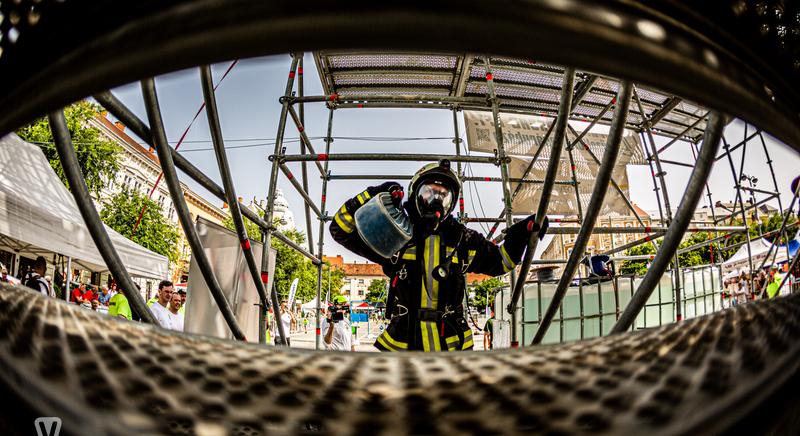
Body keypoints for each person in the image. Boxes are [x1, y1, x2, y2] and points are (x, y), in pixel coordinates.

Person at [330, 160, 547, 352]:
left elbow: (502, 262)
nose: (436, 200)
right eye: (429, 192)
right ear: (415, 193)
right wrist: (375, 194)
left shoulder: (464, 239)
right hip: (404, 344)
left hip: (451, 346)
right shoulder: (395, 234)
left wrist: (521, 234)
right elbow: (340, 229)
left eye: (443, 195)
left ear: (451, 202)